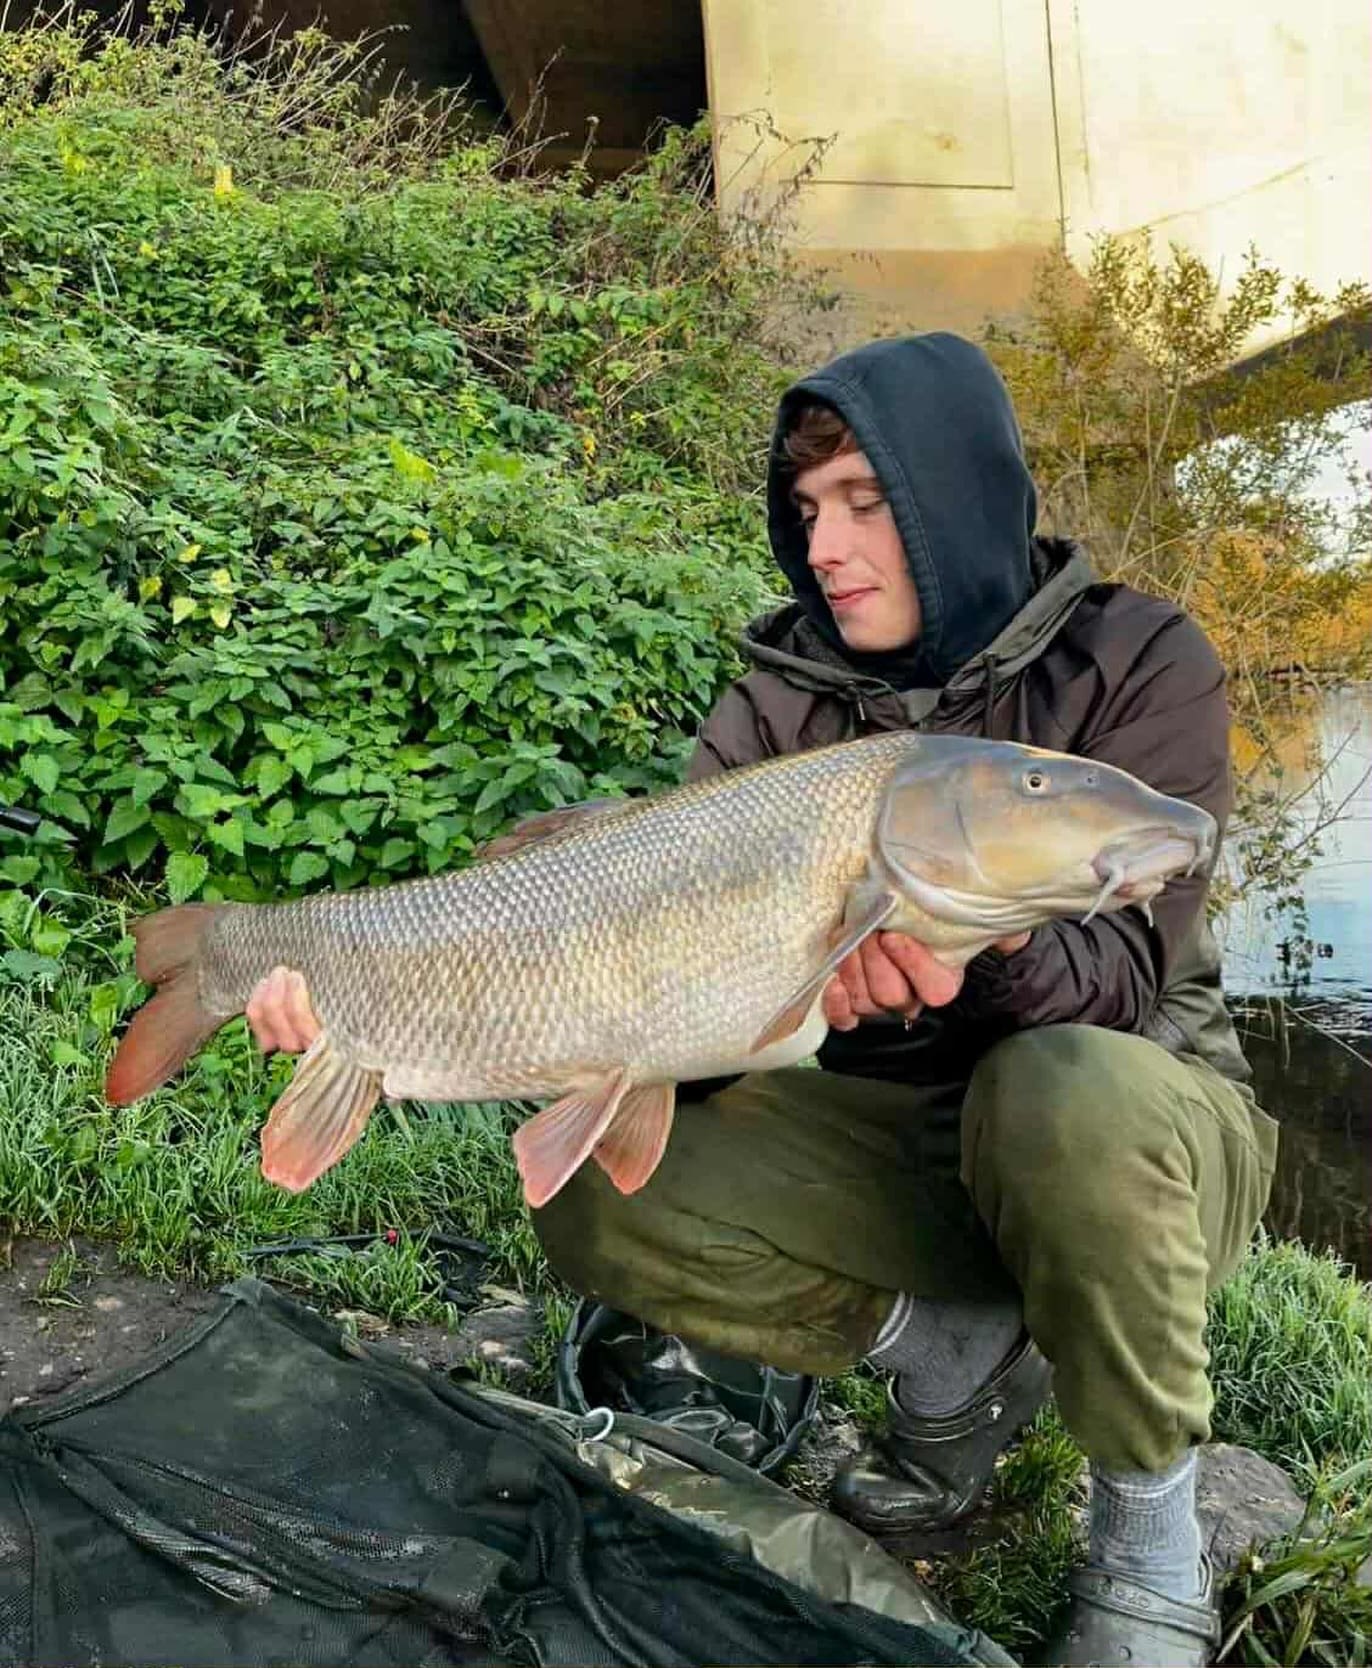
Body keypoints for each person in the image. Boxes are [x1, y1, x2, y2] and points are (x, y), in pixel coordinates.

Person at [246, 334, 1278, 1666]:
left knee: (1060, 1087)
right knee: (604, 1191)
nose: (827, 548)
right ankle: (946, 1360)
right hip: (889, 1135)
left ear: (954, 497)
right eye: (807, 513)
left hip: (1143, 1135)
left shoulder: (1139, 661)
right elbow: (706, 1040)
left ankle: (1148, 1539)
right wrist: (392, 1012)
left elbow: (1125, 985)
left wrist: (979, 958)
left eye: (864, 502)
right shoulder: (781, 696)